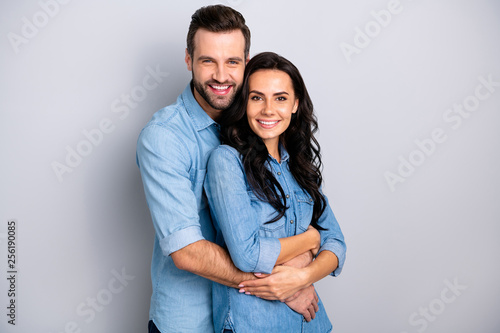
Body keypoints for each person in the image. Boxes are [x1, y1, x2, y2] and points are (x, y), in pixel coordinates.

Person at [137, 6, 322, 333]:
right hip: (190, 323)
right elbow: (187, 252)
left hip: (255, 322)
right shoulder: (164, 137)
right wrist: (283, 286)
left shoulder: (261, 127)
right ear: (188, 59)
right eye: (208, 61)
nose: (221, 76)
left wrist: (305, 269)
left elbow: (309, 219)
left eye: (232, 62)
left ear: (246, 63)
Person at [205, 52, 346, 332]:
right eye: (257, 97)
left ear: (295, 104)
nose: (268, 109)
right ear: (244, 103)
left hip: (312, 322)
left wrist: (301, 279)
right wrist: (311, 238)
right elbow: (247, 254)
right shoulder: (226, 161)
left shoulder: (299, 164)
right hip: (254, 323)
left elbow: (338, 244)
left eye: (280, 98)